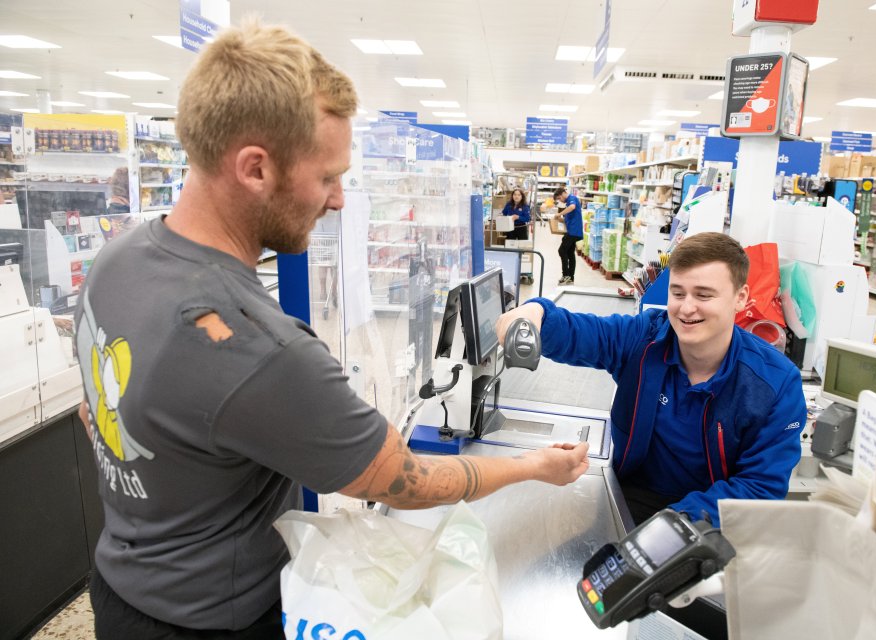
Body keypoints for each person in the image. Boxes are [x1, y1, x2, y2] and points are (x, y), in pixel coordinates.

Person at [74, 20, 589, 639]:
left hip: (118, 593)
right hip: (216, 620)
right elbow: (411, 482)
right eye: (326, 177)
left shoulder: (117, 261)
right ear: (255, 168)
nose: (340, 200)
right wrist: (534, 466)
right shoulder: (258, 346)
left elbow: (95, 411)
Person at [495, 232, 805, 525]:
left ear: (741, 297)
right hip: (630, 496)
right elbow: (580, 333)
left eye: (704, 295)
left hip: (716, 517)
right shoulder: (646, 338)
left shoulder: (776, 384)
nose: (686, 308)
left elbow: (758, 489)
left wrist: (667, 527)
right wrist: (534, 312)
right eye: (677, 292)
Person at [554, 186, 583, 285]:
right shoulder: (567, 203)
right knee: (570, 253)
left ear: (562, 193)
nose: (560, 200)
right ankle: (570, 277)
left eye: (559, 198)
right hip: (572, 231)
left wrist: (559, 214)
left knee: (562, 250)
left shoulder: (572, 199)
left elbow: (572, 207)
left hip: (573, 232)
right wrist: (560, 219)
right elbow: (569, 218)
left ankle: (566, 275)